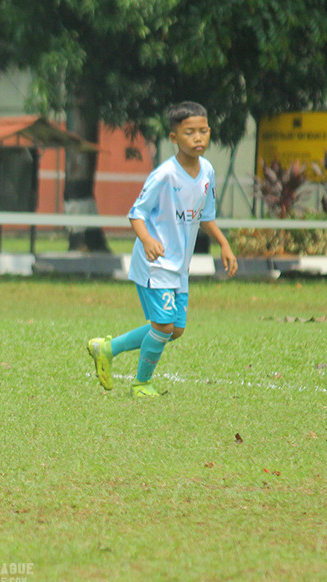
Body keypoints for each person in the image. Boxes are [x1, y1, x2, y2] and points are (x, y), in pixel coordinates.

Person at [87, 101, 238, 397]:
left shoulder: (207, 171)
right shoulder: (165, 174)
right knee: (164, 326)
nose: (198, 138)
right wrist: (147, 240)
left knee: (174, 330)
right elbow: (136, 213)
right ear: (174, 138)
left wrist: (224, 244)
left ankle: (107, 348)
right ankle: (141, 384)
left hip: (180, 266)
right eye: (189, 132)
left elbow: (205, 216)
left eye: (203, 131)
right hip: (155, 263)